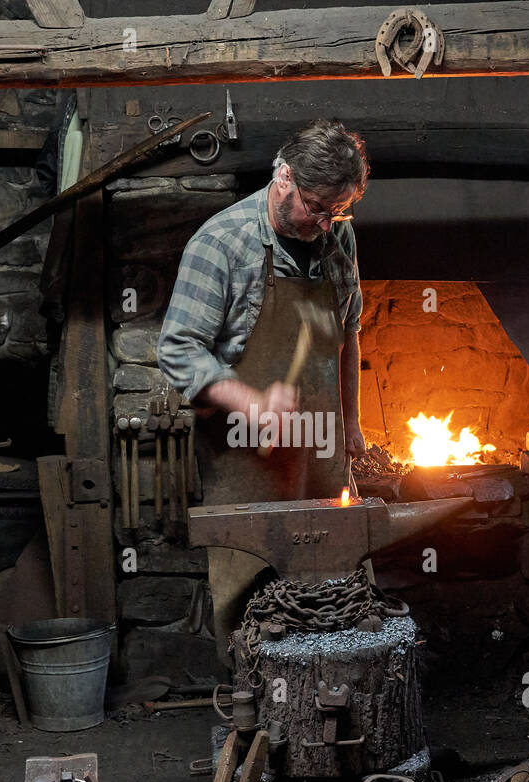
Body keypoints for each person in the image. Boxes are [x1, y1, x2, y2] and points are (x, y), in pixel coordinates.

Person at [157, 118, 370, 664]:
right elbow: (178, 350)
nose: (325, 224)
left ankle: (330, 704)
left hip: (321, 447)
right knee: (252, 606)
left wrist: (351, 423)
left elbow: (348, 333)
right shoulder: (221, 243)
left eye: (336, 212)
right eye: (316, 207)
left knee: (334, 588)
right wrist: (252, 404)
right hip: (244, 453)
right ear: (283, 178)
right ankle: (254, 722)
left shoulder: (336, 236)